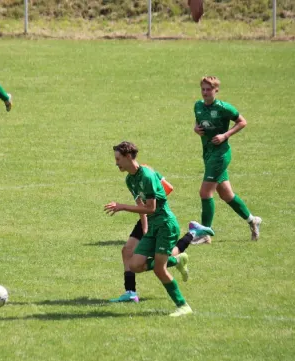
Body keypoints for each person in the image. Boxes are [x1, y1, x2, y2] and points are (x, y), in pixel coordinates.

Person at [104, 141, 193, 317]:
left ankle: (183, 306)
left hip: (166, 225)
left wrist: (122, 206)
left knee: (160, 270)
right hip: (153, 227)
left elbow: (151, 208)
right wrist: (145, 228)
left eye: (118, 159)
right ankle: (176, 260)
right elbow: (141, 206)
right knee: (135, 264)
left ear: (129, 156)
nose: (116, 163)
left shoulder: (147, 176)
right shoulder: (130, 180)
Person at [189, 76, 262, 245]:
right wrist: (196, 128)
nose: (206, 92)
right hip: (207, 153)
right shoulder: (198, 105)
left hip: (220, 154)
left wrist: (225, 135)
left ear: (216, 90)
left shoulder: (223, 108)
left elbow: (242, 122)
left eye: (209, 89)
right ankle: (253, 220)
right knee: (226, 194)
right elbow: (198, 120)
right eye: (203, 89)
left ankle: (205, 233)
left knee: (205, 193)